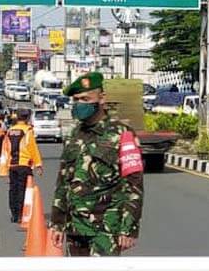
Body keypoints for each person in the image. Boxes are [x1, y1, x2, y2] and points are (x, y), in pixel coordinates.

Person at [50, 72, 144, 256]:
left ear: (102, 99)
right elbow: (63, 182)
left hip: (106, 228)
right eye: (76, 100)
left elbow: (134, 185)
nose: (79, 104)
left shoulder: (122, 134)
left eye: (85, 99)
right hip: (75, 228)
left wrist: (128, 228)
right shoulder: (73, 135)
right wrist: (57, 222)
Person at [0, 106, 43, 225]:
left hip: (12, 166)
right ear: (27, 118)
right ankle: (21, 214)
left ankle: (14, 214)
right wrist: (38, 164)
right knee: (23, 189)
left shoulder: (10, 131)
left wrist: (4, 169)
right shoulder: (28, 131)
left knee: (13, 190)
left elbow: (5, 150)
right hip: (24, 165)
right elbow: (32, 148)